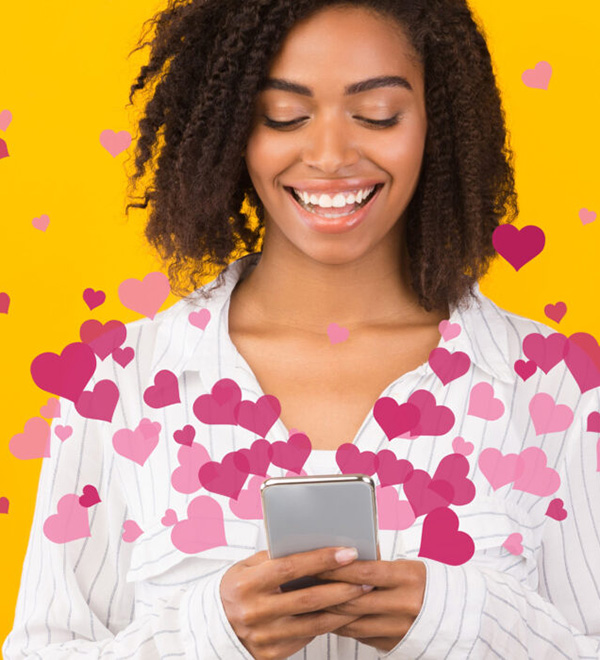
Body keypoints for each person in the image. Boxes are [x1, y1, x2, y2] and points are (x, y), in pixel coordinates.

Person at [4, 0, 600, 658]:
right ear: (232, 127)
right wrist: (204, 634)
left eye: (378, 114)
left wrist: (462, 618)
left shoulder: (557, 388)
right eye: (283, 114)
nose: (330, 155)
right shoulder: (116, 385)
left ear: (441, 121)